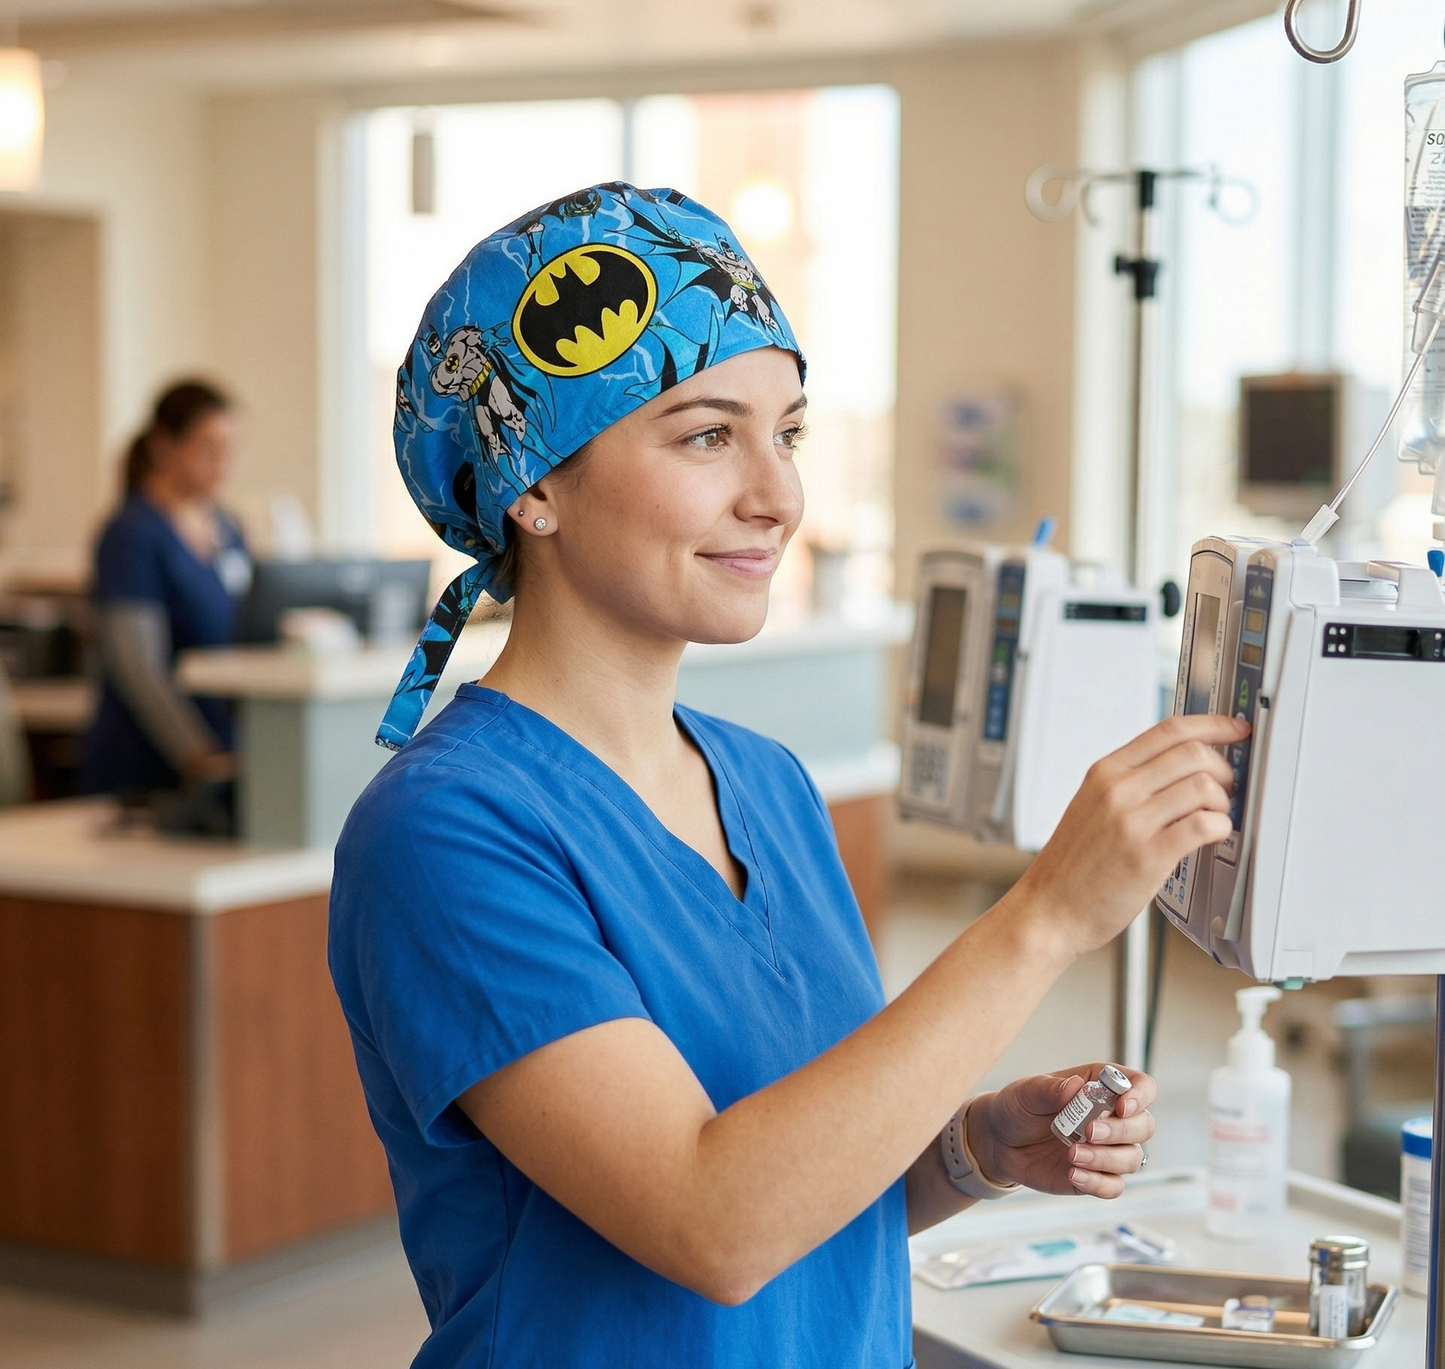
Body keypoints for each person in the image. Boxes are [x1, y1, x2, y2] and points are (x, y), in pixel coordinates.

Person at [327, 184, 1246, 1369]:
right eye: (708, 435)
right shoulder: (447, 829)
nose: (777, 496)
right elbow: (711, 1221)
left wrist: (968, 1149)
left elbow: (798, 1178)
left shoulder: (764, 783)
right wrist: (1046, 917)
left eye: (789, 433)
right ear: (533, 484)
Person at [81, 380, 250, 796]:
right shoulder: (132, 535)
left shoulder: (228, 529)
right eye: (208, 448)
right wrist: (200, 757)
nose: (222, 463)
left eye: (229, 449)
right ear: (163, 446)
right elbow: (138, 667)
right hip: (149, 771)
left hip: (224, 752)